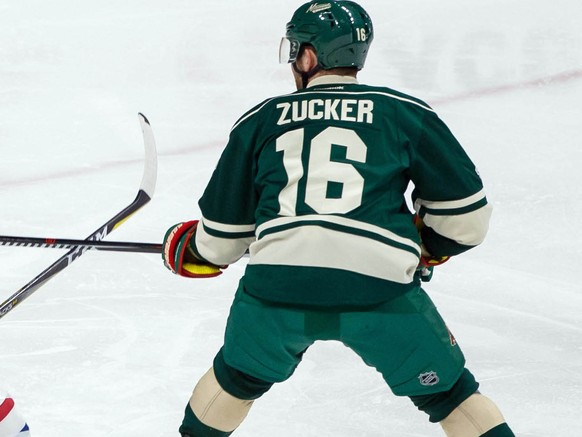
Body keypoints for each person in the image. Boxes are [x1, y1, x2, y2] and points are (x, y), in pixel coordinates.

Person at [162, 1, 515, 436]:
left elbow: (220, 243)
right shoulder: (404, 113)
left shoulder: (261, 120)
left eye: (296, 50)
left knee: (235, 381)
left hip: (278, 286)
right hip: (378, 288)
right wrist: (429, 246)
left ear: (310, 56)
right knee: (451, 397)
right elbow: (467, 220)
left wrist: (188, 248)